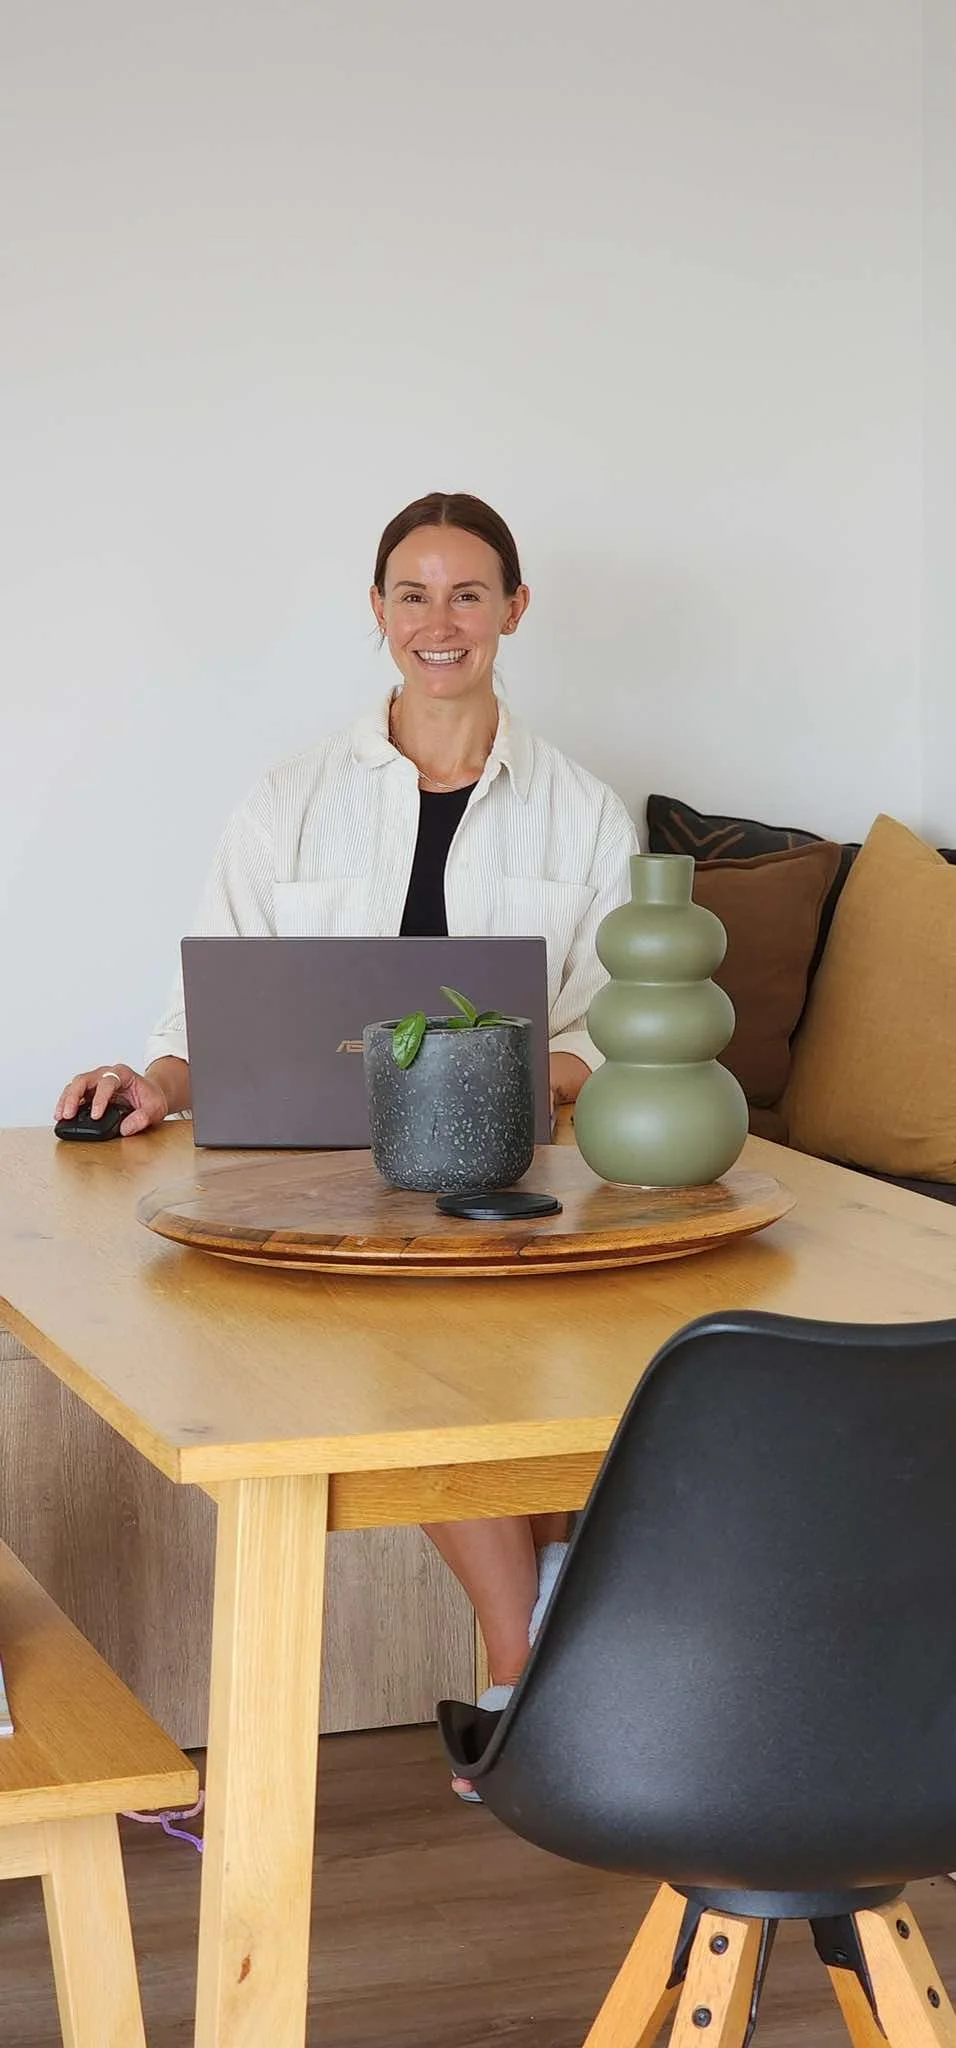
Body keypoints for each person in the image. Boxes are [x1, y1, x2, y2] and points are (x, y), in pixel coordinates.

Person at [56, 491, 638, 1794]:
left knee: (433, 1340)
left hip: (523, 1175)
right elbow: (205, 1016)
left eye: (469, 594)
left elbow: (611, 1042)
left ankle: (514, 1662)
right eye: (414, 594)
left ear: (515, 612)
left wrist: (476, 1072)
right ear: (377, 613)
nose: (442, 623)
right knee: (380, 1338)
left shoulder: (586, 814)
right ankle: (532, 1632)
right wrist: (150, 1080)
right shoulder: (291, 799)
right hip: (331, 1182)